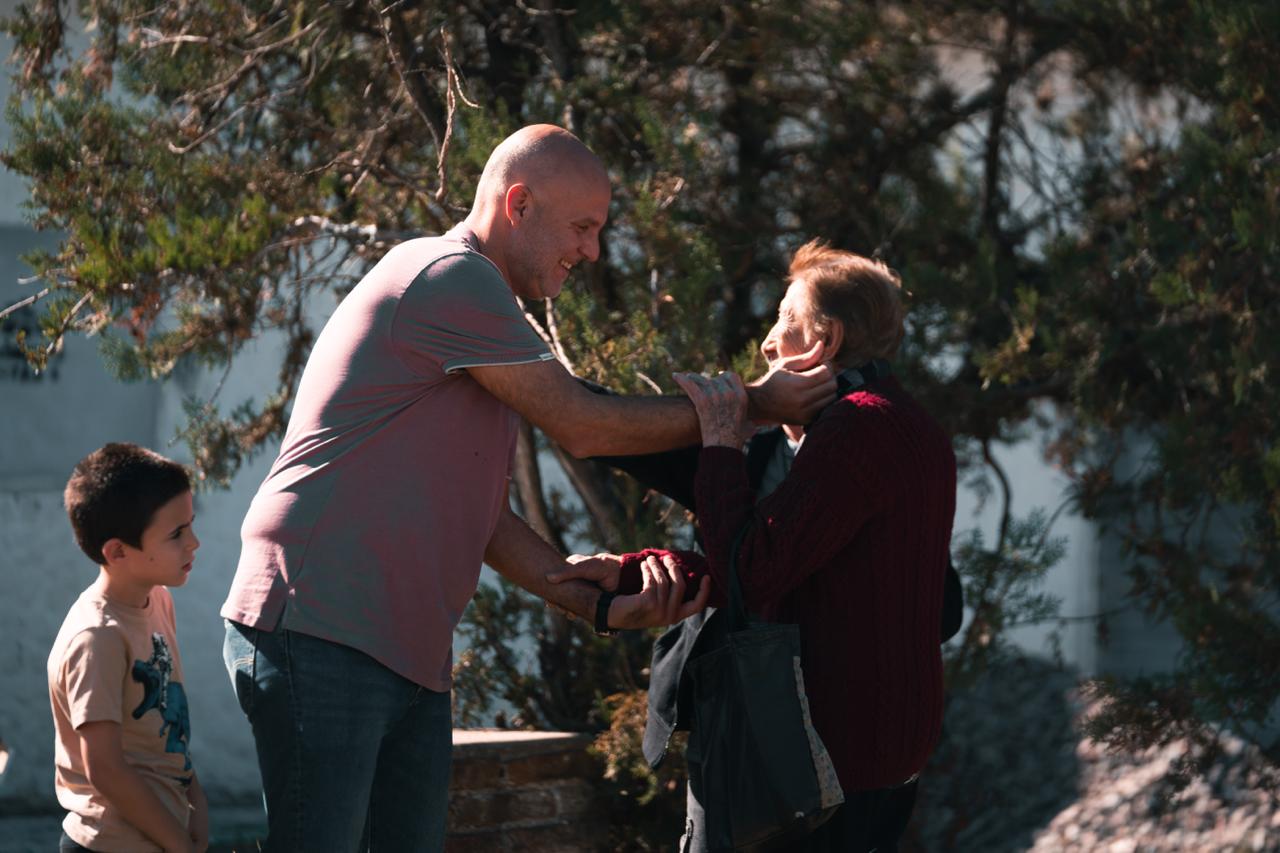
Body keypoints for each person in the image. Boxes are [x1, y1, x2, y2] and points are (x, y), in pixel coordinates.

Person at [219, 124, 835, 852]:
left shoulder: (486, 316)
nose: (593, 252)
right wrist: (750, 405)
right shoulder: (450, 274)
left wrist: (589, 600)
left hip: (400, 653)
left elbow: (482, 515)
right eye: (582, 227)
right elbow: (582, 424)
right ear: (518, 204)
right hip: (320, 624)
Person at [556, 240, 958, 851]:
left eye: (785, 319)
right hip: (858, 765)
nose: (768, 343)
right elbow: (798, 575)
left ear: (824, 339)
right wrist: (637, 572)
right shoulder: (898, 422)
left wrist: (721, 440)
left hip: (816, 773)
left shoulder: (860, 429)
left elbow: (753, 573)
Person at [48, 443, 207, 853]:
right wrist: (177, 842)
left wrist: (195, 800)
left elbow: (163, 726)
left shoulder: (159, 601)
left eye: (190, 525)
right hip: (109, 844)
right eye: (176, 533)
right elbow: (104, 768)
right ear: (117, 551)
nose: (194, 543)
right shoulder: (96, 637)